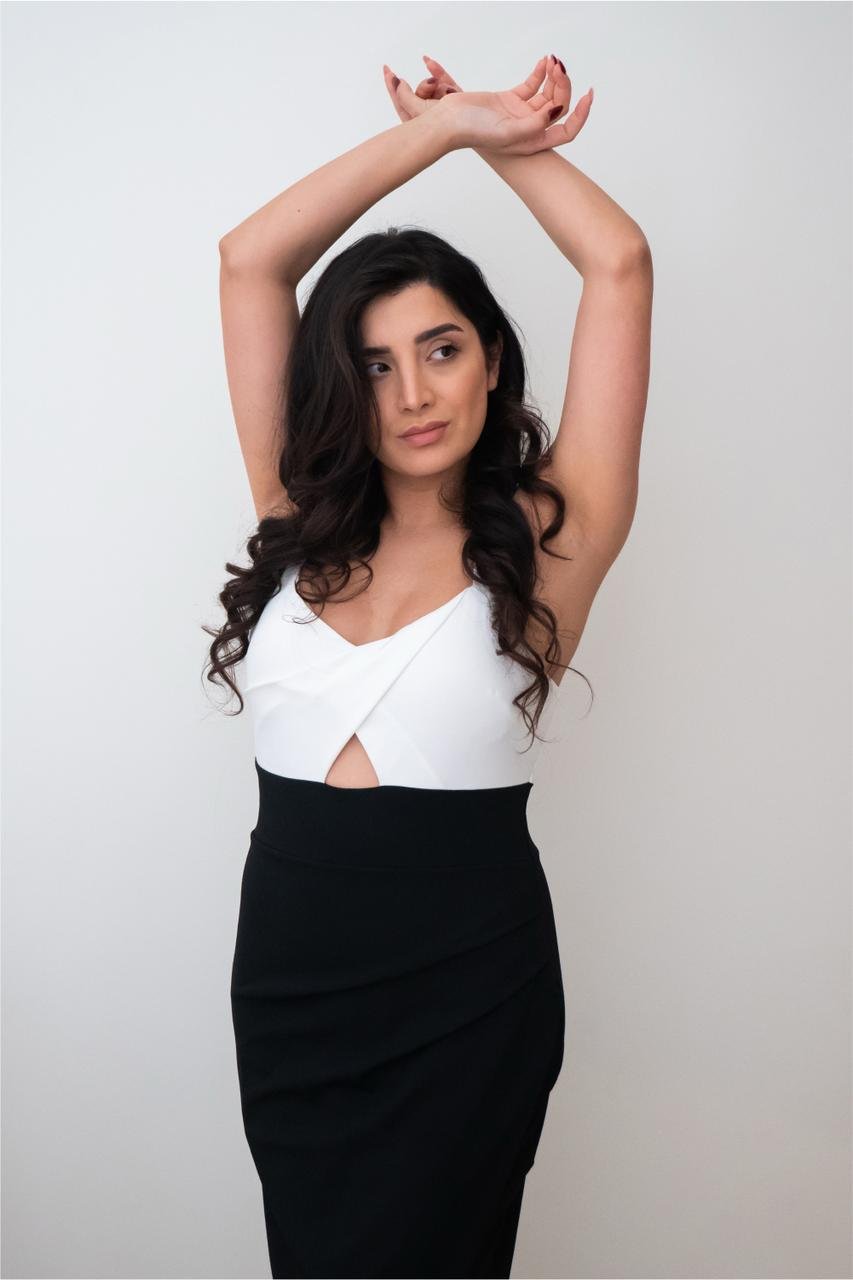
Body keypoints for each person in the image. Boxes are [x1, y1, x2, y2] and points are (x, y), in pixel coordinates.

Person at [205, 52, 652, 1280]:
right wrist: (441, 129)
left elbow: (618, 262)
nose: (411, 392)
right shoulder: (296, 517)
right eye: (374, 362)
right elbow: (250, 262)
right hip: (293, 984)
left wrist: (491, 142)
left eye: (441, 348)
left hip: (469, 989)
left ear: (493, 359)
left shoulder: (553, 537)